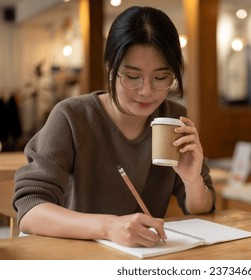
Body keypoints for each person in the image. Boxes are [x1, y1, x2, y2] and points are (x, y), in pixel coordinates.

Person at [12, 6, 215, 248]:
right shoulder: (73, 117)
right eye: (132, 76)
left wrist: (193, 181)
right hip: (77, 257)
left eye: (161, 78)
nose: (147, 91)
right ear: (110, 66)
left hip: (144, 260)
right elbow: (30, 209)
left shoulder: (172, 118)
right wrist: (109, 227)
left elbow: (202, 210)